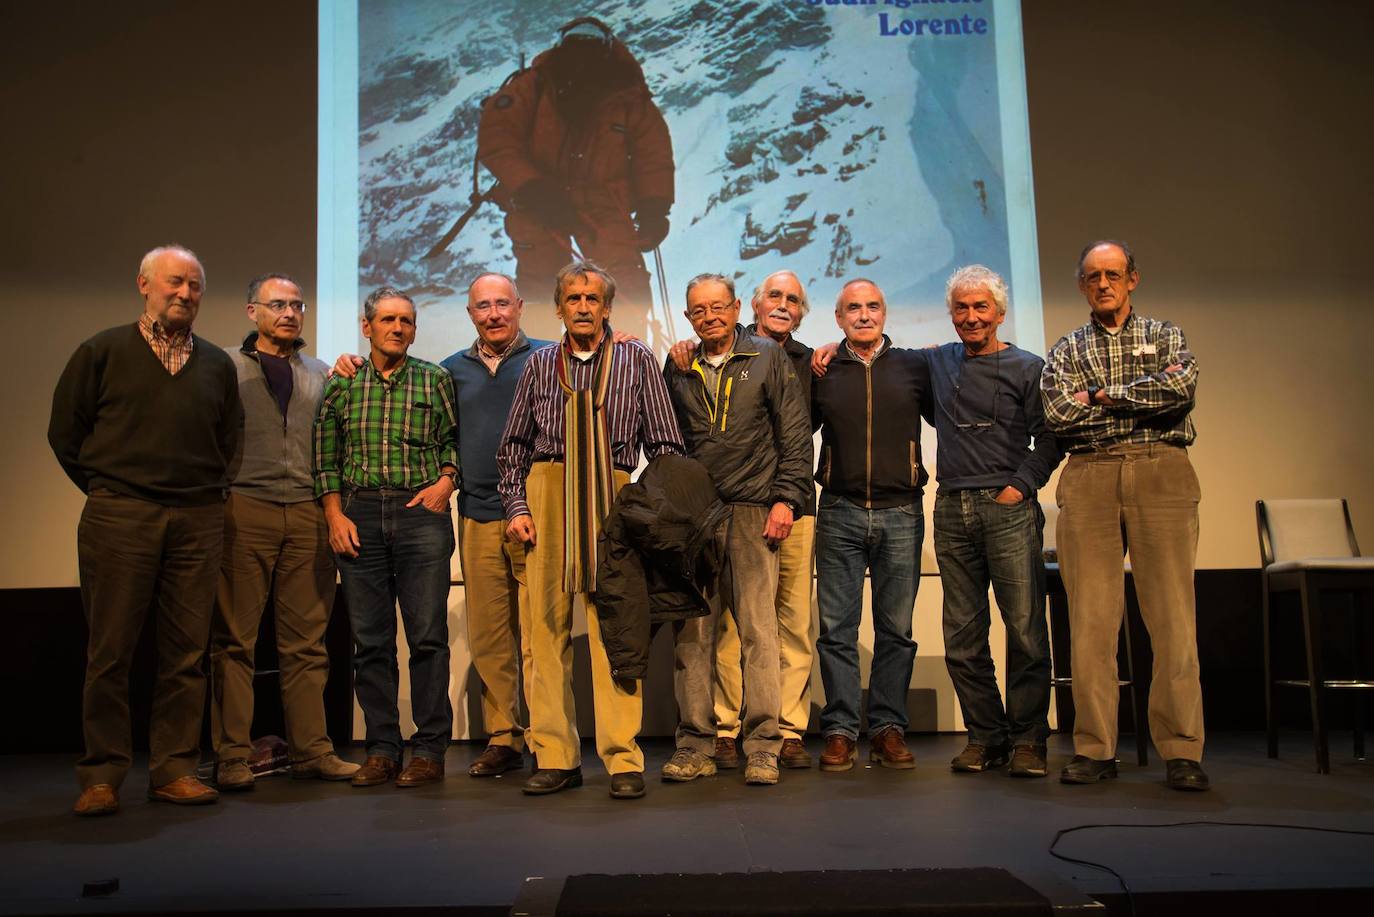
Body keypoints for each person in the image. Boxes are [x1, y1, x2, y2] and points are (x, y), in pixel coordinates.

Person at [335, 273, 550, 778]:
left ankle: (548, 737)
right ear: (470, 313)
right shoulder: (449, 370)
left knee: (539, 637)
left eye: (502, 304)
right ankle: (504, 737)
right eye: (483, 306)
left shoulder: (549, 357)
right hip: (477, 512)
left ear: (519, 306)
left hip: (536, 515)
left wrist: (621, 338)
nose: (494, 314)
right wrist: (346, 362)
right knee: (491, 636)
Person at [50, 244, 239, 815]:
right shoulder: (102, 351)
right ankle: (102, 775)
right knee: (110, 652)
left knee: (186, 652)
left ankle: (174, 769)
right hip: (121, 515)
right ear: (144, 285)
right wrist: (110, 489)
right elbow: (66, 433)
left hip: (198, 518)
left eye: (195, 286)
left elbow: (228, 441)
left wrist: (203, 497)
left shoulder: (215, 364)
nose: (185, 294)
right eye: (174, 283)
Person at [497, 261, 683, 800]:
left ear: (607, 308)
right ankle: (554, 756)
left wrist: (647, 510)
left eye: (592, 298)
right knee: (545, 635)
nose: (582, 306)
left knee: (616, 632)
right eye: (573, 298)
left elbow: (667, 447)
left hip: (613, 495)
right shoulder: (536, 366)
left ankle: (623, 758)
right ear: (558, 307)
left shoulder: (636, 359)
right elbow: (512, 446)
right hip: (548, 495)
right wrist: (515, 507)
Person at [1041, 240, 1208, 791]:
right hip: (1089, 474)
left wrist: (1102, 396)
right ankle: (1095, 748)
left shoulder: (1166, 335)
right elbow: (1060, 413)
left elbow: (1179, 389)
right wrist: (1135, 400)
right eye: (1093, 277)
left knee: (1172, 619)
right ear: (1082, 285)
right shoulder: (1066, 348)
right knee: (1090, 620)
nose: (1103, 284)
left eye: (1113, 274)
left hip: (1161, 470)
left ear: (1133, 278)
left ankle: (1181, 749)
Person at [660, 273, 812, 786]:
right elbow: (667, 440)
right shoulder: (678, 366)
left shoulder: (766, 357)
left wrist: (786, 498)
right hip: (695, 517)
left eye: (718, 307)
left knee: (758, 633)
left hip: (752, 511)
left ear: (735, 306)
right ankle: (695, 744)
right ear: (688, 318)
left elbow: (794, 436)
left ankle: (763, 746)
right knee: (693, 637)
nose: (710, 317)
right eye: (699, 310)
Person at [209, 274, 359, 791]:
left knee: (307, 643)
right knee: (235, 641)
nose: (290, 313)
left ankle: (312, 751)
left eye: (297, 305)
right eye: (278, 304)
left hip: (307, 511)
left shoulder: (321, 372)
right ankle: (231, 755)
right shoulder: (224, 365)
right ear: (253, 311)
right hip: (244, 506)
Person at [314, 287, 459, 789]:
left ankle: (430, 750)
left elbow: (452, 444)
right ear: (367, 326)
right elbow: (325, 459)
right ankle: (381, 749)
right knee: (371, 642)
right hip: (359, 514)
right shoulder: (340, 386)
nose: (398, 328)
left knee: (427, 637)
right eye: (388, 319)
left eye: (406, 321)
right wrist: (334, 515)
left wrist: (445, 482)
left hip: (420, 512)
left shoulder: (435, 379)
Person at [926, 265, 1062, 778]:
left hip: (1007, 510)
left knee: (1025, 630)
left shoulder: (1029, 367)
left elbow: (1049, 440)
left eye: (980, 307)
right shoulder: (937, 361)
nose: (971, 316)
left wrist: (1019, 488)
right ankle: (986, 737)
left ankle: (1029, 739)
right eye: (961, 307)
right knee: (962, 636)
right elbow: (881, 359)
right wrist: (828, 350)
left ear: (999, 313)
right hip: (950, 508)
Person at [477, 17, 673, 342]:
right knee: (559, 283)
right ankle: (541, 365)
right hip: (543, 200)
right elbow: (499, 138)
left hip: (583, 200)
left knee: (613, 281)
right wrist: (532, 187)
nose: (583, 57)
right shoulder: (539, 86)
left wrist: (655, 207)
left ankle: (627, 362)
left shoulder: (625, 97)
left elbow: (652, 154)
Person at [807, 280, 929, 773]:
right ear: (838, 319)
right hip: (839, 509)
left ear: (884, 314)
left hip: (902, 511)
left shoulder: (915, 367)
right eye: (852, 308)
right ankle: (839, 731)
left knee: (896, 630)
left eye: (872, 306)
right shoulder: (823, 368)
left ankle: (887, 728)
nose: (863, 315)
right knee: (837, 630)